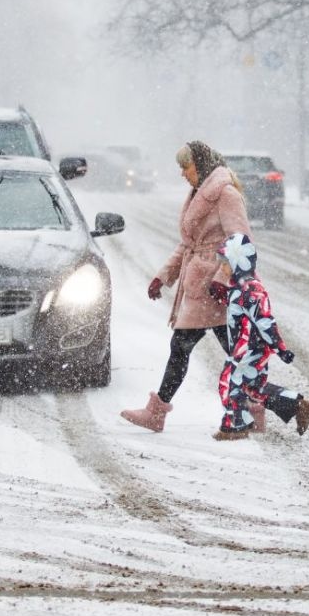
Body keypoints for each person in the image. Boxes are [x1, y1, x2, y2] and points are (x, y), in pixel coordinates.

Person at [120, 141, 253, 432]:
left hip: (213, 288)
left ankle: (156, 415)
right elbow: (189, 244)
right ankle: (285, 404)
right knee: (231, 352)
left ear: (201, 164)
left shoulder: (225, 194)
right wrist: (163, 276)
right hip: (200, 286)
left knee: (182, 348)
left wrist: (222, 279)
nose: (183, 173)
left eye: (186, 166)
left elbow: (241, 241)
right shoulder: (199, 193)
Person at [211, 232, 309, 440]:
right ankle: (296, 404)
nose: (221, 267)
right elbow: (240, 312)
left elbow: (265, 321)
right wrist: (225, 296)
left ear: (239, 262)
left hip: (250, 347)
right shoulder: (239, 287)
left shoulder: (251, 289)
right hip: (248, 347)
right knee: (251, 387)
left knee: (230, 381)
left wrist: (280, 348)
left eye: (225, 262)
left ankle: (235, 425)